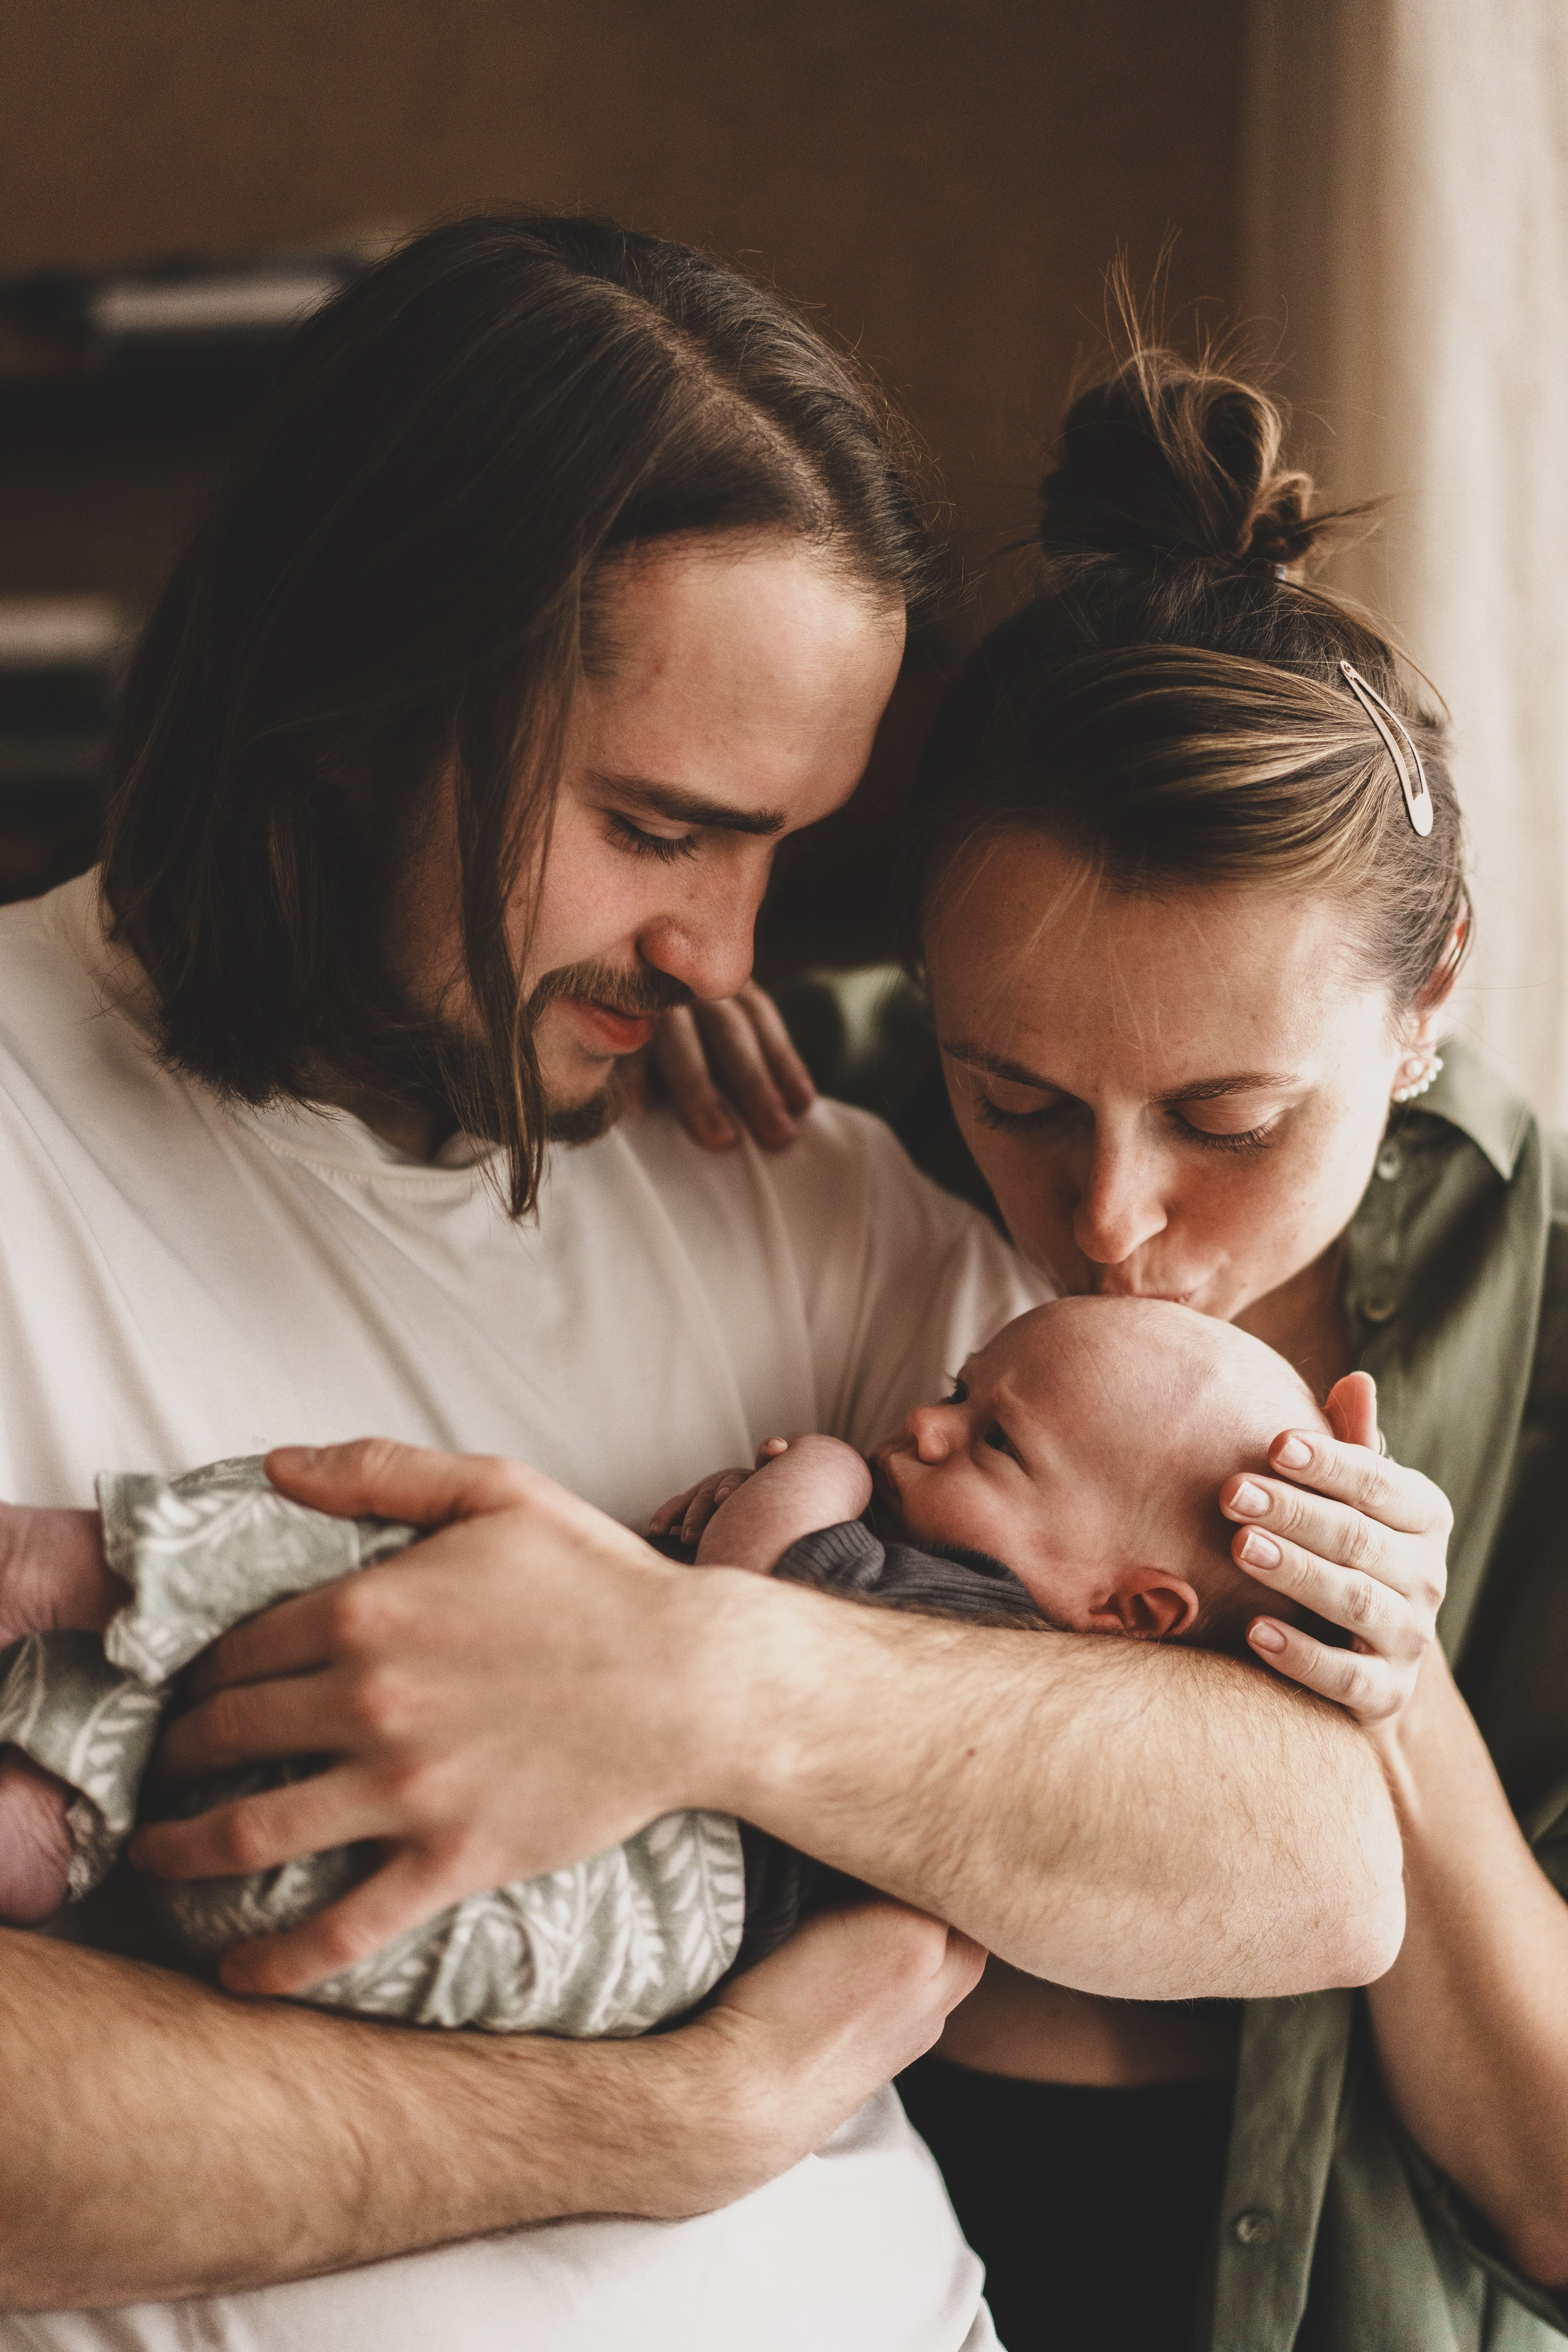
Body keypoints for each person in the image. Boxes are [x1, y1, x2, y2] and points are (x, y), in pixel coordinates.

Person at [0, 217, 1408, 2345]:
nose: (728, 958)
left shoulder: (793, 1197)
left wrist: (695, 1681)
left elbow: (1304, 1853)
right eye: (662, 827)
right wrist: (668, 2124)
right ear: (361, 703)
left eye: (782, 848)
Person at [700, 340, 1568, 2352]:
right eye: (1011, 1090)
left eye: (1229, 1123)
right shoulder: (796, 1114)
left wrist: (1389, 1677)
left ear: (1426, 998)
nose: (1104, 1221)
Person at [0, 1297, 1340, 2002]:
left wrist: (808, 1475)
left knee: (390, 1537)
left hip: (629, 1877)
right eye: (954, 1390)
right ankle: (58, 1833)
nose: (924, 1429)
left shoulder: (974, 1624)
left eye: (994, 1441)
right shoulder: (1010, 1664)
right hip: (555, 1955)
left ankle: (56, 1574)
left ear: (1131, 1612)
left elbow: (739, 1601)